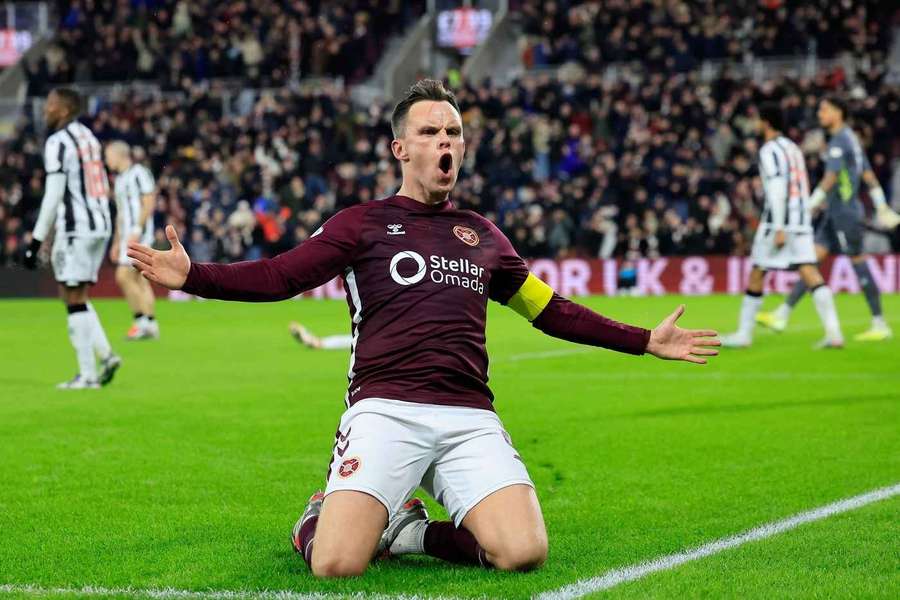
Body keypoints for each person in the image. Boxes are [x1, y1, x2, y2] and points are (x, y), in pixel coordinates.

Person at [126, 79, 720, 577]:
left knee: (524, 552)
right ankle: (319, 517)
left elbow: (551, 310)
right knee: (336, 564)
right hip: (385, 408)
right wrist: (194, 276)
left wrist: (644, 340)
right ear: (400, 149)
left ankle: (408, 534)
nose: (446, 142)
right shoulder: (360, 225)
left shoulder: (484, 237)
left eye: (454, 133)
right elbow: (280, 276)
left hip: (468, 417)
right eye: (431, 132)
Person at [757, 96, 899, 341]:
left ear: (838, 113)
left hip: (845, 213)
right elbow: (867, 172)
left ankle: (879, 323)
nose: (820, 113)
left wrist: (808, 204)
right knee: (809, 262)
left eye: (824, 109)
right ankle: (783, 312)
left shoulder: (840, 141)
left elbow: (831, 177)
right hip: (835, 215)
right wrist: (881, 205)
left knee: (857, 261)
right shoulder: (851, 140)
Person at [721, 103, 843, 349]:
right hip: (800, 220)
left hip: (779, 221)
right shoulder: (793, 148)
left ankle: (743, 334)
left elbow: (777, 189)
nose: (755, 124)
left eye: (758, 120)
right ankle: (834, 333)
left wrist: (778, 227)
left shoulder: (769, 150)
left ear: (766, 122)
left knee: (757, 271)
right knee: (809, 271)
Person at [23, 87, 121, 389]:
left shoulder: (58, 142)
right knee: (76, 295)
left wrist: (36, 241)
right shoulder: (89, 137)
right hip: (99, 223)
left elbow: (53, 195)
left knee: (71, 295)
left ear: (64, 110)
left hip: (76, 225)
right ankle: (106, 354)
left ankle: (88, 375)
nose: (45, 110)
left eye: (50, 105)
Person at [105, 140, 160, 340]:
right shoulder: (120, 180)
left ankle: (141, 322)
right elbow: (120, 214)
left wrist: (137, 229)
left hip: (139, 233)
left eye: (108, 156)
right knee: (139, 278)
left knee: (123, 275)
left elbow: (149, 201)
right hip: (127, 234)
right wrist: (116, 241)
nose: (106, 160)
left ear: (119, 155)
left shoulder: (139, 173)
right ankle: (151, 324)